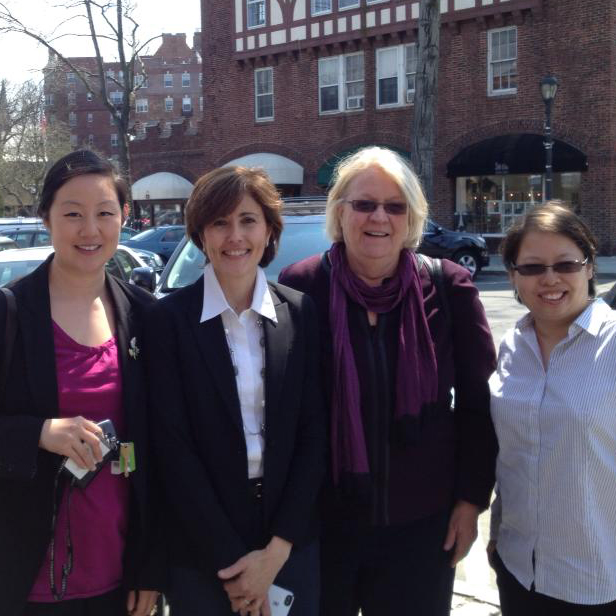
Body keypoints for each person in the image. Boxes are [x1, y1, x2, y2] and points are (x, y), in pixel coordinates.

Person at [278, 146, 497, 616]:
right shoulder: (302, 287)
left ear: (412, 217)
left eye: (394, 206)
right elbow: (285, 413)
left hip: (423, 527)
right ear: (340, 211)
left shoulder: (449, 287)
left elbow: (481, 405)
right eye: (364, 204)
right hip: (325, 525)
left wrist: (470, 501)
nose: (379, 217)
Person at [144, 166, 325, 616]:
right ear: (200, 235)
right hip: (202, 549)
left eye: (248, 220)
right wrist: (235, 566)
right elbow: (172, 449)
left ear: (268, 230)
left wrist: (277, 553)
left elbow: (314, 434)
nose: (234, 236)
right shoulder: (166, 322)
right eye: (219, 222)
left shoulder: (300, 313)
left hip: (289, 542)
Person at [0, 150, 163, 616]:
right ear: (46, 217)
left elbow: (160, 451)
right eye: (72, 214)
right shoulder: (9, 313)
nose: (89, 230)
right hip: (23, 580)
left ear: (124, 218)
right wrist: (37, 433)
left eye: (105, 213)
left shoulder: (145, 317)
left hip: (118, 580)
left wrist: (151, 566)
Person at [488, 202, 616, 615]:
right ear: (513, 276)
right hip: (518, 568)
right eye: (531, 267)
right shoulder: (512, 346)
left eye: (565, 264)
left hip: (597, 579)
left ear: (590, 267)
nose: (549, 279)